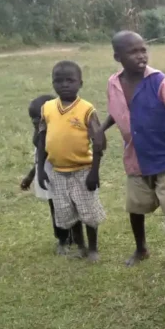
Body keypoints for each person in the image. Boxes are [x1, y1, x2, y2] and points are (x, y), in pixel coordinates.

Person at [103, 31, 165, 269]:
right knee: (135, 205)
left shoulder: (159, 80)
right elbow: (118, 111)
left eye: (143, 50)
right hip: (135, 155)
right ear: (118, 57)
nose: (141, 56)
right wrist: (101, 130)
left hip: (164, 153)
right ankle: (141, 248)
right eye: (133, 52)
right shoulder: (114, 83)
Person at [36, 61, 106, 262]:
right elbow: (42, 139)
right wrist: (41, 170)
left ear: (80, 83)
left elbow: (99, 142)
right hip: (57, 171)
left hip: (83, 170)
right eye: (59, 81)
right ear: (52, 83)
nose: (64, 84)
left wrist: (95, 172)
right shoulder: (47, 108)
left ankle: (93, 248)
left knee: (89, 212)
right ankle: (81, 246)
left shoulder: (86, 109)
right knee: (68, 211)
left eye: (70, 80)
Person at [20, 94, 76, 254]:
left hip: (65, 174)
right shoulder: (39, 132)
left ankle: (74, 237)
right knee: (56, 208)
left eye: (38, 117)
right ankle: (62, 240)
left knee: (70, 206)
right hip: (48, 176)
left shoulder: (60, 132)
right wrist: (31, 176)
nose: (34, 121)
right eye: (32, 118)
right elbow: (40, 158)